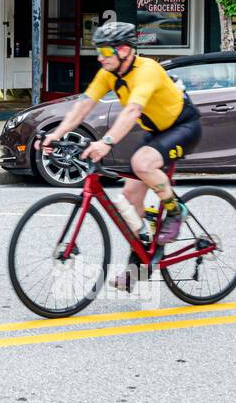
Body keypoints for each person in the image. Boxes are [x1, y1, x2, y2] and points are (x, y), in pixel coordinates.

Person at [37, 20, 202, 288]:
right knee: (128, 200)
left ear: (124, 50)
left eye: (105, 52)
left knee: (141, 163)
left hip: (184, 126)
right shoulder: (108, 73)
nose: (100, 58)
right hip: (155, 131)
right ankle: (140, 264)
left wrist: (106, 142)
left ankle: (176, 210)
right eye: (98, 51)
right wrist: (56, 134)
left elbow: (132, 111)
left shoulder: (147, 70)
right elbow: (83, 106)